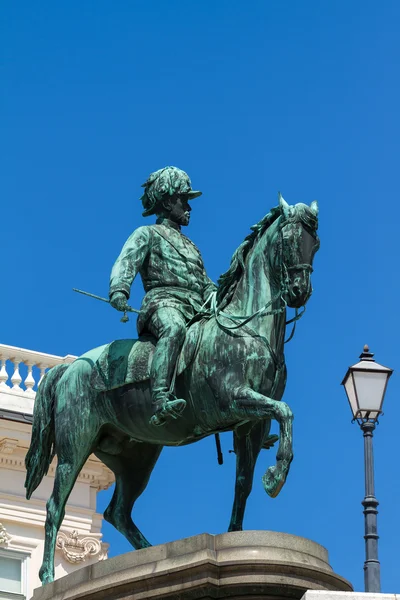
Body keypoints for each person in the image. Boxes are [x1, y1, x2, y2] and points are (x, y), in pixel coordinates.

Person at [109, 166, 217, 426]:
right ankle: (160, 398)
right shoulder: (147, 234)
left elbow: (203, 281)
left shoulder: (192, 246)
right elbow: (126, 261)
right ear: (168, 201)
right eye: (184, 200)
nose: (189, 207)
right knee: (174, 329)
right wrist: (120, 289)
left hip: (196, 308)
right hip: (163, 304)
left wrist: (214, 293)